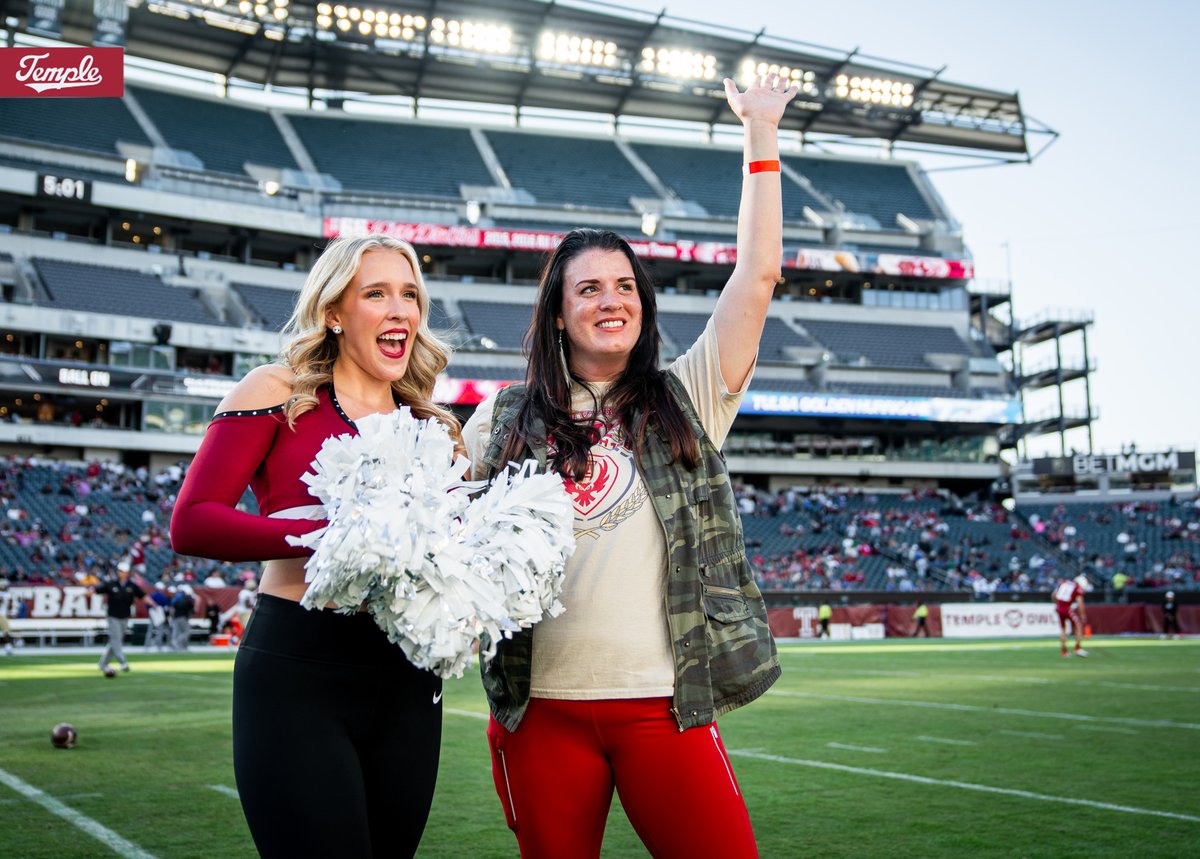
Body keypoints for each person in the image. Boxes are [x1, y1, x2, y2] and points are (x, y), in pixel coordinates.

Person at [462, 73, 795, 859]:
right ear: (559, 311)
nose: (610, 299)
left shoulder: (689, 391)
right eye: (588, 289)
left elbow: (758, 277)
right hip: (540, 708)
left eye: (624, 285)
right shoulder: (502, 417)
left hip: (663, 705)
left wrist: (760, 134)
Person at [170, 234, 454, 859]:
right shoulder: (277, 389)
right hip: (298, 668)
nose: (400, 309)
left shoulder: (434, 429)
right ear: (333, 312)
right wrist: (328, 538)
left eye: (410, 295)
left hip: (408, 680)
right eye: (375, 293)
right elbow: (192, 521)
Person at [91, 561, 154, 674]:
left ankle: (103, 664)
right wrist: (81, 595)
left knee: (115, 641)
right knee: (116, 639)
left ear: (127, 573)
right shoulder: (111, 584)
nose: (121, 573)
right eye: (120, 571)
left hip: (125, 616)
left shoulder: (131, 585)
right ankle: (122, 662)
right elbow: (95, 590)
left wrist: (154, 605)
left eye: (123, 571)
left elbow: (143, 596)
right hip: (113, 616)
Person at [1053, 574, 1089, 657]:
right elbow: (1080, 603)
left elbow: (1054, 594)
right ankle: (1078, 648)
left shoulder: (1063, 582)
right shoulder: (1076, 587)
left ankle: (1064, 651)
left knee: (1063, 629)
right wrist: (1083, 615)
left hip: (1059, 608)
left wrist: (1058, 604)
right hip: (1066, 608)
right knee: (1078, 625)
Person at [170, 584, 196, 652]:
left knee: (177, 632)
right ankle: (177, 642)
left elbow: (173, 609)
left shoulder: (177, 599)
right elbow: (193, 611)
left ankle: (179, 646)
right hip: (183, 617)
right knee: (186, 632)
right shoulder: (188, 601)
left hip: (176, 617)